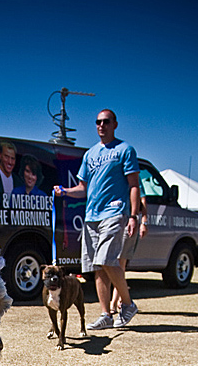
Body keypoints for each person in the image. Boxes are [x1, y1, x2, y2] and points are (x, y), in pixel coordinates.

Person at [53, 109, 140, 328]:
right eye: (98, 122)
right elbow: (83, 188)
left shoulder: (125, 150)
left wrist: (133, 216)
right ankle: (106, 315)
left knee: (106, 259)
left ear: (115, 124)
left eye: (106, 122)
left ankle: (128, 305)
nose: (101, 125)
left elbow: (134, 185)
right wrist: (64, 191)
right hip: (91, 215)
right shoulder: (90, 154)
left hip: (114, 212)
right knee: (97, 267)